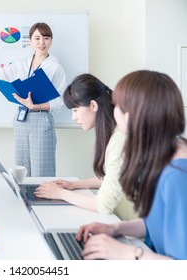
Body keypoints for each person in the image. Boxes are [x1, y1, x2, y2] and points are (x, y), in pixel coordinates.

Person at [76, 70, 187, 260]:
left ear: (132, 116)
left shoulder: (176, 176)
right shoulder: (170, 150)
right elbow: (158, 222)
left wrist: (128, 253)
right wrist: (115, 228)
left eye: (117, 106)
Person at [0, 22, 67, 177]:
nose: (41, 42)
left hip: (42, 120)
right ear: (30, 41)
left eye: (46, 38)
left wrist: (37, 106)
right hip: (21, 120)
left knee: (42, 174)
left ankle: (43, 201)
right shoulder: (22, 64)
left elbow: (61, 101)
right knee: (22, 172)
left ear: (51, 41)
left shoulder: (55, 67)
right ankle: (24, 200)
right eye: (37, 38)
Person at [33, 74, 137, 220]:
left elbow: (103, 205)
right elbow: (112, 177)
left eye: (75, 110)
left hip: (134, 224)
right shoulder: (114, 132)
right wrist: (74, 184)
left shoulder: (119, 139)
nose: (73, 118)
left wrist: (60, 194)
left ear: (93, 105)